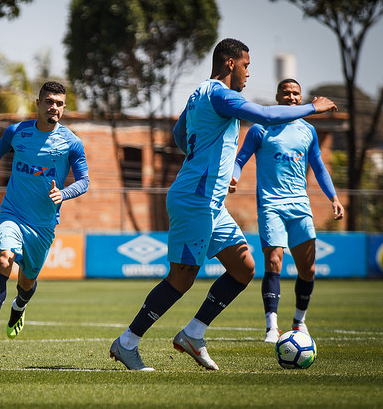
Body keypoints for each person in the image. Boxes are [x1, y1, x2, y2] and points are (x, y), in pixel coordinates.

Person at [109, 38, 337, 371]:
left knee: (244, 267)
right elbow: (265, 115)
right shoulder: (220, 94)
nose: (248, 73)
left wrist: (202, 156)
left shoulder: (199, 93)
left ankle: (193, 333)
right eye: (246, 65)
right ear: (230, 63)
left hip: (209, 201)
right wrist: (312, 107)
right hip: (195, 199)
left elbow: (178, 131)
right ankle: (127, 343)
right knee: (182, 278)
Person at [0, 81, 89, 350]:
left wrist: (64, 194)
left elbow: (84, 181)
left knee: (27, 280)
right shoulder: (17, 132)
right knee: (4, 258)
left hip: (43, 224)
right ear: (38, 103)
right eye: (48, 101)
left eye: (58, 103)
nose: (53, 107)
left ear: (63, 107)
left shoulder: (71, 142)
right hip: (13, 211)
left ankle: (19, 306)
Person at [229, 78, 344, 343]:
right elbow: (240, 158)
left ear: (300, 96)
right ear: (278, 96)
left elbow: (318, 166)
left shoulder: (307, 131)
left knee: (308, 270)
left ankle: (299, 322)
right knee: (274, 262)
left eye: (296, 93)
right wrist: (233, 177)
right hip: (270, 206)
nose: (292, 97)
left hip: (300, 207)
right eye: (287, 93)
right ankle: (272, 327)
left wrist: (334, 197)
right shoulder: (260, 129)